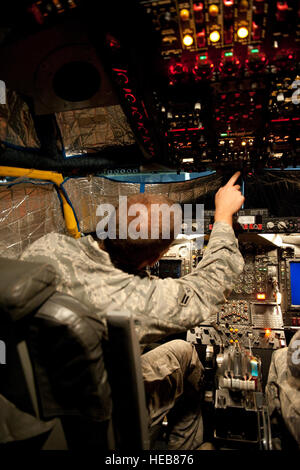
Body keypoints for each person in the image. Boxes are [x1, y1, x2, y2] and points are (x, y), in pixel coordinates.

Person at [20, 171, 245, 449]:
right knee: (186, 354)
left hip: (33, 391)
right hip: (99, 417)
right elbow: (208, 289)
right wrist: (223, 217)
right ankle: (184, 449)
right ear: (155, 258)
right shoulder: (137, 299)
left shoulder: (47, 246)